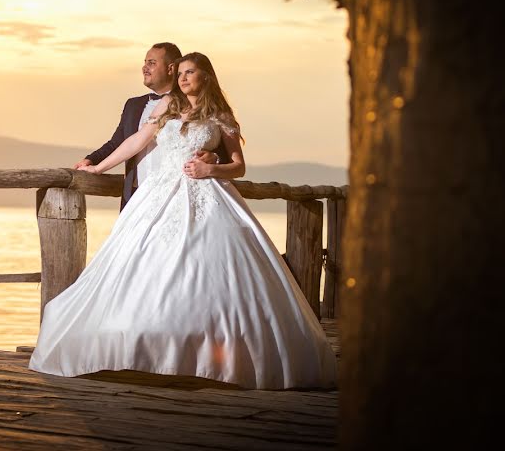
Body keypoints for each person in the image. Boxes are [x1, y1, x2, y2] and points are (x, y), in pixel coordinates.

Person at [29, 52, 337, 390]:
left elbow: (238, 166)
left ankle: (207, 353)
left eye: (191, 73)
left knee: (204, 269)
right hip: (157, 196)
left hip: (204, 194)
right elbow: (136, 141)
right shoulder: (168, 108)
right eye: (181, 74)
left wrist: (211, 169)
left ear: (207, 76)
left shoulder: (221, 117)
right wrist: (97, 168)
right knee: (144, 263)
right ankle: (143, 347)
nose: (183, 79)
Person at [75, 42, 220, 210]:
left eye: (152, 63)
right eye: (144, 62)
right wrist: (91, 161)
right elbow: (118, 142)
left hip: (177, 194)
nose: (144, 68)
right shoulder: (133, 105)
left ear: (171, 68)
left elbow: (213, 143)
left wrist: (214, 158)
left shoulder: (192, 103)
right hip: (136, 193)